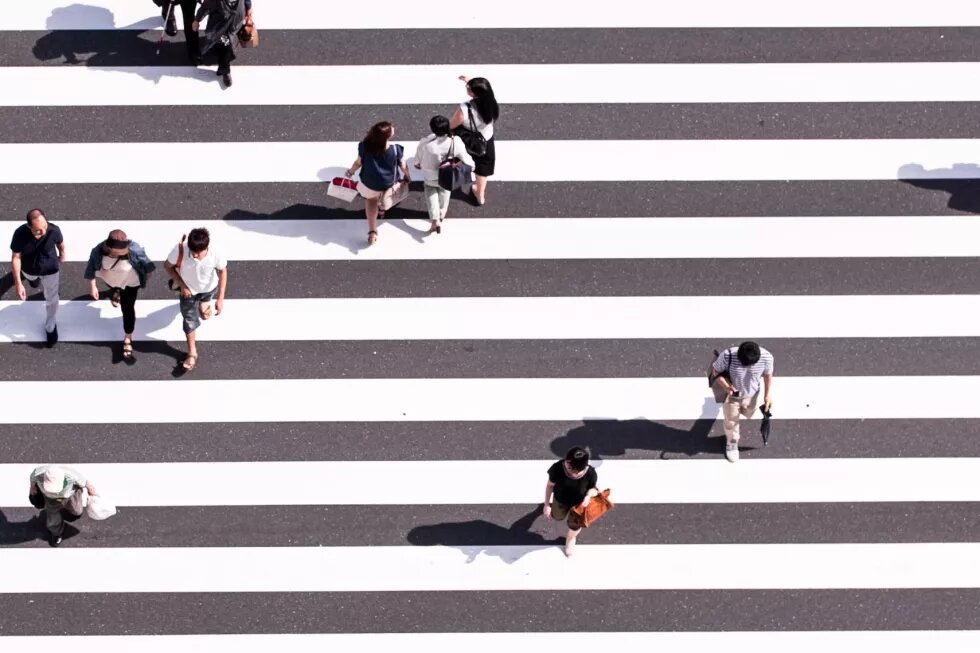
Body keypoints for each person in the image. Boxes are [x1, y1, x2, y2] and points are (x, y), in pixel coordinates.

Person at [84, 230, 156, 361]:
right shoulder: (98, 251)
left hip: (130, 283)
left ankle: (128, 336)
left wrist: (146, 273)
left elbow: (148, 265)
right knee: (114, 286)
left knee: (127, 308)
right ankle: (116, 291)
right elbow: (90, 267)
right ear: (109, 248)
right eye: (119, 252)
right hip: (111, 279)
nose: (124, 252)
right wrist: (92, 285)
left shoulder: (133, 249)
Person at [163, 227, 228, 372]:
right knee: (189, 320)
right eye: (193, 254)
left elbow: (223, 271)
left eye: (199, 254)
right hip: (188, 292)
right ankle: (192, 353)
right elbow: (167, 266)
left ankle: (205, 307)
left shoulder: (215, 253)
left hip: (209, 289)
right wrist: (181, 285)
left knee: (204, 314)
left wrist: (220, 299)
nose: (196, 257)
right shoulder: (181, 250)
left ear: (207, 247)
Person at [346, 121, 412, 246]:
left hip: (369, 182)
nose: (393, 128)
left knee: (371, 201)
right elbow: (403, 166)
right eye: (391, 129)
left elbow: (358, 163)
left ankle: (372, 232)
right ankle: (382, 208)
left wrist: (350, 172)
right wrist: (408, 177)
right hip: (389, 183)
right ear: (388, 136)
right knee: (386, 198)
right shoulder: (396, 150)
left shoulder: (364, 146)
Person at [710, 341, 774, 463]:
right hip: (732, 396)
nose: (747, 368)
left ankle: (738, 419)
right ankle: (732, 442)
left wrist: (767, 396)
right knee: (732, 420)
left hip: (752, 394)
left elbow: (768, 375)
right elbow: (715, 371)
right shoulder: (727, 356)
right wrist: (726, 386)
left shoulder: (767, 358)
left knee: (749, 412)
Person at [10, 209, 65, 347]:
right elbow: (16, 257)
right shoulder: (20, 234)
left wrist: (63, 253)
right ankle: (32, 281)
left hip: (50, 270)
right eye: (38, 230)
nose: (43, 232)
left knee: (52, 298)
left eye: (44, 227)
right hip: (29, 269)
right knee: (33, 282)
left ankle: (50, 327)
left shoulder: (54, 230)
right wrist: (18, 283)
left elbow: (60, 243)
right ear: (29, 226)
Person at [414, 115, 474, 234]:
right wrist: (471, 165)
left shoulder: (426, 142)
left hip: (430, 175)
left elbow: (418, 159)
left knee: (430, 191)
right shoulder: (454, 142)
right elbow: (465, 157)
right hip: (447, 174)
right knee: (445, 191)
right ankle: (441, 214)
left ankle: (435, 218)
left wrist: (417, 163)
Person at [450, 76, 499, 206]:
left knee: (457, 157)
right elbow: (483, 92)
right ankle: (480, 195)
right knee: (483, 168)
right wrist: (471, 82)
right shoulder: (492, 103)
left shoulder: (465, 108)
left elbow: (452, 125)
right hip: (485, 139)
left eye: (469, 88)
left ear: (474, 93)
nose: (467, 89)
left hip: (466, 139)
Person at [543, 446, 599, 557]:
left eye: (575, 470)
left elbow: (593, 488)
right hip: (560, 500)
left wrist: (588, 496)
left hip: (579, 505)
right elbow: (549, 486)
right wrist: (546, 504)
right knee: (557, 516)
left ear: (583, 467)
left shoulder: (591, 473)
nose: (571, 472)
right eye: (568, 466)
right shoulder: (558, 468)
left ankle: (570, 539)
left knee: (575, 525)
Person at [29, 464, 97, 547]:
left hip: (71, 494)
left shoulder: (72, 476)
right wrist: (32, 488)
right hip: (51, 499)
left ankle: (68, 513)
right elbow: (32, 478)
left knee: (77, 512)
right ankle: (56, 533)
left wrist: (93, 495)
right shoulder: (38, 473)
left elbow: (88, 484)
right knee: (52, 519)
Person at [192, 0, 253, 87]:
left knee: (226, 43)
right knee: (226, 44)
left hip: (235, 22)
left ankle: (224, 65)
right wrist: (197, 20)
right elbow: (205, 7)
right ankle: (225, 70)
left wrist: (249, 7)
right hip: (221, 25)